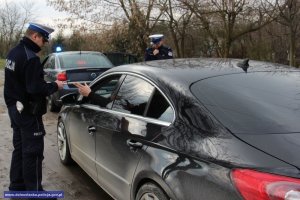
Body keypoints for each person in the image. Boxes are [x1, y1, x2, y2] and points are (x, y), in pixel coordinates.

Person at [4, 22, 64, 197]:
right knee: (33, 153)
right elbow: (35, 88)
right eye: (43, 40)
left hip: (14, 109)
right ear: (35, 36)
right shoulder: (31, 58)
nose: (44, 44)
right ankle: (34, 193)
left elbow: (16, 83)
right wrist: (55, 85)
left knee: (20, 150)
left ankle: (17, 187)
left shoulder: (13, 52)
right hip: (29, 113)